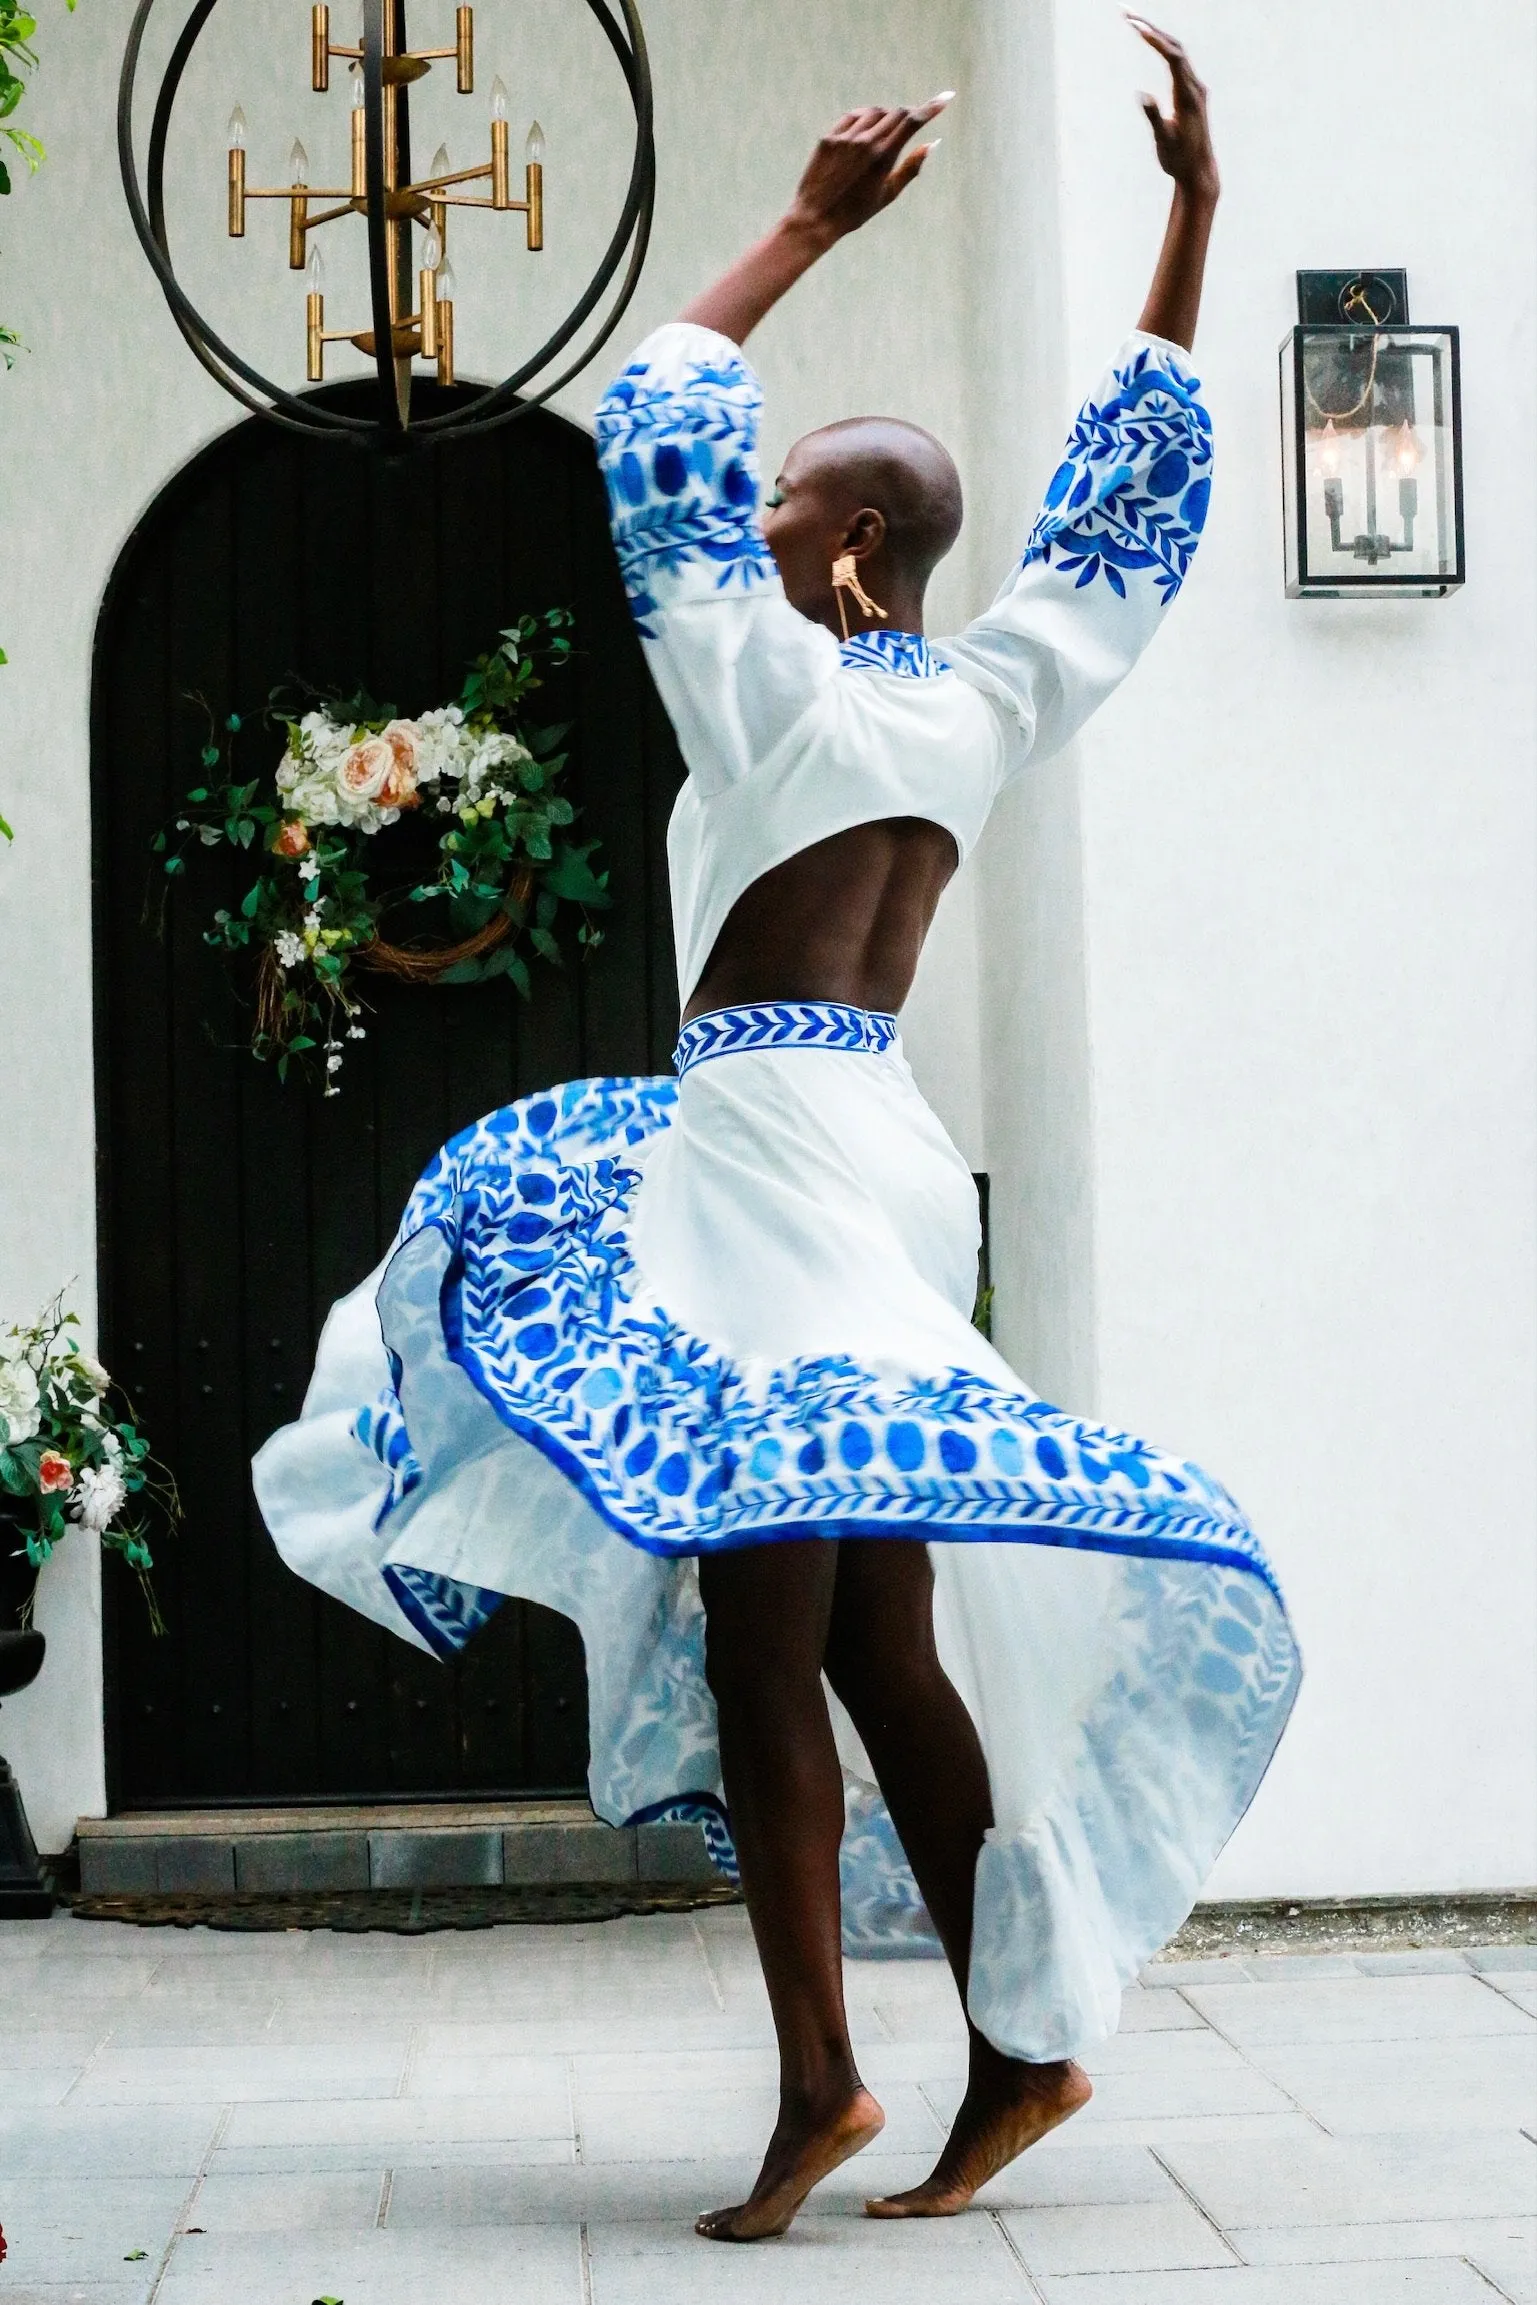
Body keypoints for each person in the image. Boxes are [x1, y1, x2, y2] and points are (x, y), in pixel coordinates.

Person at [256, 15, 1299, 2247]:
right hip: (886, 1165)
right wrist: (1196, 220)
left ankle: (831, 2075)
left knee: (770, 1636)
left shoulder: (770, 685)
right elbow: (1126, 522)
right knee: (867, 1631)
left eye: (784, 503)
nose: (741, 518)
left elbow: (652, 416)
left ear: (834, 559)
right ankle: (1011, 2056)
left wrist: (805, 229)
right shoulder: (999, 687)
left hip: (758, 1165)